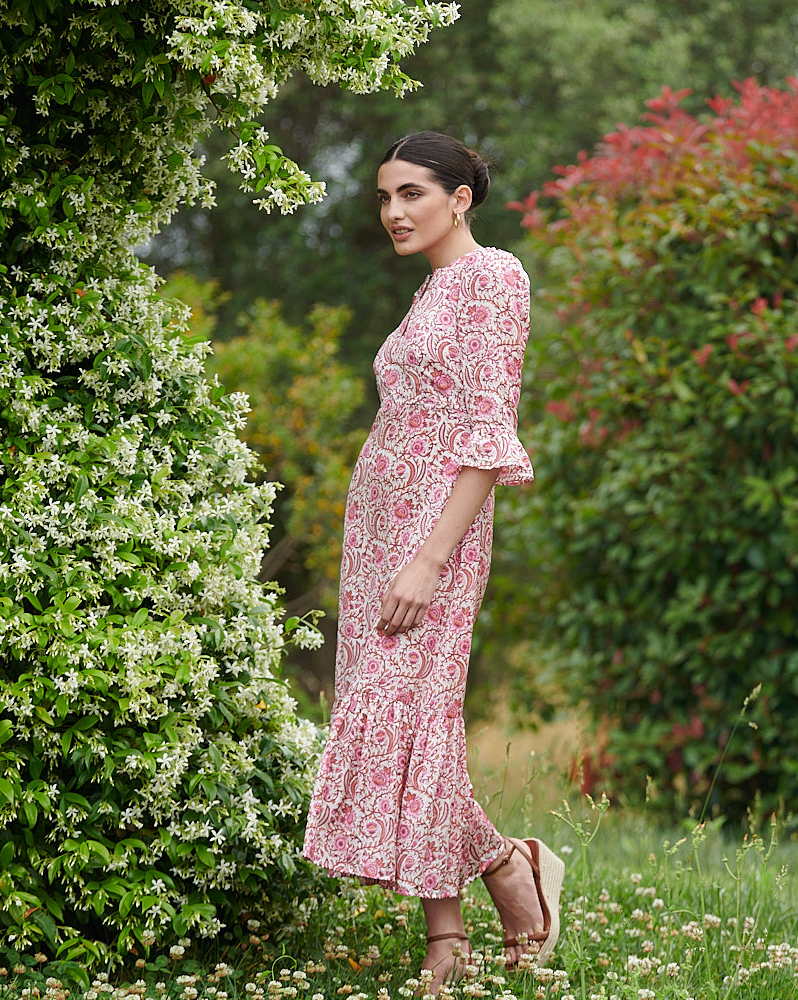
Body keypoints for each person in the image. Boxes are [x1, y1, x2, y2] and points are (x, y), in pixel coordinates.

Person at [301, 131, 562, 994]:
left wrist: (428, 560)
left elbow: (488, 440)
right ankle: (469, 912)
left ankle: (485, 901)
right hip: (378, 535)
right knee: (393, 731)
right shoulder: (434, 288)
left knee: (418, 730)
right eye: (384, 197)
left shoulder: (495, 278)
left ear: (462, 197)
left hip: (434, 540)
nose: (392, 212)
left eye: (412, 193)